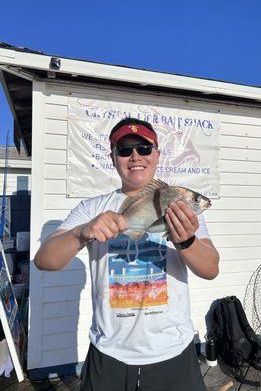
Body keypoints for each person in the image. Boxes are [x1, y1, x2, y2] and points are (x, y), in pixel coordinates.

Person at [34, 118, 219, 391]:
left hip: (173, 351)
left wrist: (186, 240)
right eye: (125, 149)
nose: (135, 156)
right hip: (108, 355)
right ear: (113, 157)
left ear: (156, 154)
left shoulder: (184, 210)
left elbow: (211, 269)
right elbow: (44, 260)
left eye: (144, 148)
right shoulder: (92, 208)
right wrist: (82, 232)